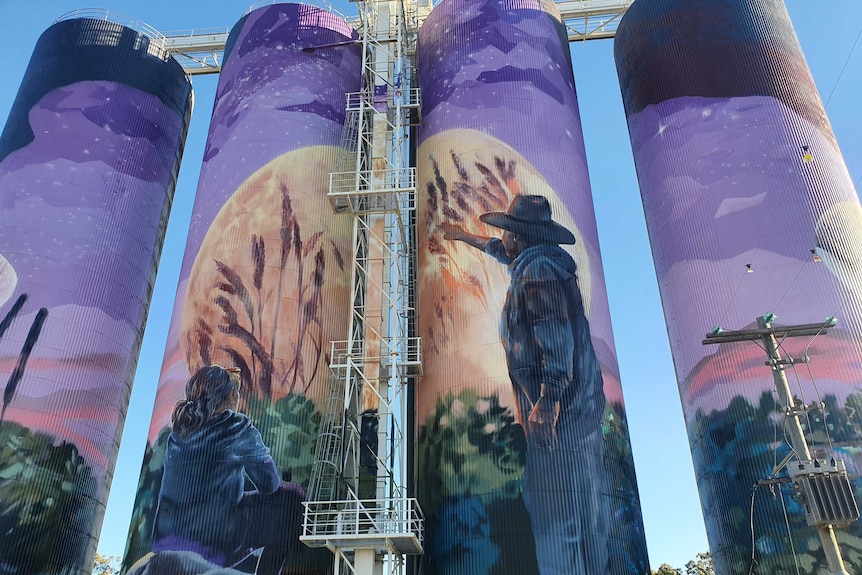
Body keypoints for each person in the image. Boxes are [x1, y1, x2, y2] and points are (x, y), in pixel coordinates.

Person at [443, 194, 608, 574]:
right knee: (581, 510)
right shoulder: (535, 263)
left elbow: (555, 336)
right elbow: (499, 250)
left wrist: (548, 401)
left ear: (521, 236)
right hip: (574, 413)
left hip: (561, 420)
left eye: (508, 231)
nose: (503, 237)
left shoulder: (538, 274)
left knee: (556, 513)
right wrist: (463, 237)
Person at [152, 365, 306, 573]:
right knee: (291, 498)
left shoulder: (178, 433)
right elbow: (270, 484)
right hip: (215, 540)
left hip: (165, 540)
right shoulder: (237, 426)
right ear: (232, 395)